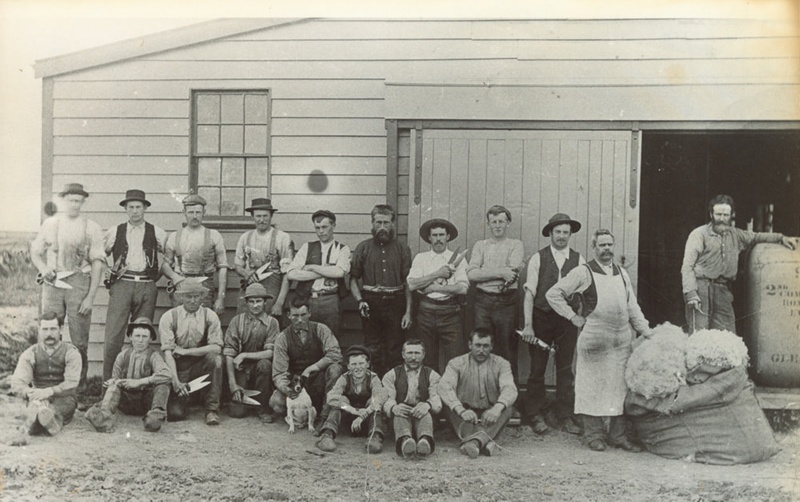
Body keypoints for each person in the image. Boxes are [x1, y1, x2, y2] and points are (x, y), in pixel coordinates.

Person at [547, 229, 653, 452]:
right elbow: (553, 294)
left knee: (619, 388)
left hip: (621, 339)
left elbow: (632, 306)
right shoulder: (583, 272)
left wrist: (646, 332)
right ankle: (594, 435)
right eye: (602, 245)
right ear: (593, 248)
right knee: (592, 388)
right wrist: (572, 316)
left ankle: (618, 435)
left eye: (609, 245)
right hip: (594, 338)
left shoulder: (622, 274)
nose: (606, 249)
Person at [681, 194, 796, 333]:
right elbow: (687, 267)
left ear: (731, 215)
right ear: (711, 214)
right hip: (700, 289)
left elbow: (756, 237)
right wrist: (691, 293)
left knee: (727, 335)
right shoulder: (698, 234)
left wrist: (780, 238)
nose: (722, 219)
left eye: (725, 214)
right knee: (699, 334)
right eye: (718, 214)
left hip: (723, 290)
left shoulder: (736, 235)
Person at [30, 183, 104, 388]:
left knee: (79, 338)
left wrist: (90, 297)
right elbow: (35, 252)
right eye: (71, 200)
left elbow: (98, 263)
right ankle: (46, 384)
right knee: (48, 331)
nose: (74, 204)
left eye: (78, 201)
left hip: (79, 281)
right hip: (53, 283)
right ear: (63, 200)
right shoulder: (51, 224)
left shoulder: (91, 227)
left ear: (83, 202)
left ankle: (77, 387)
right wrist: (44, 268)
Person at [102, 189, 179, 380]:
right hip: (122, 285)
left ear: (145, 208)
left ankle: (137, 386)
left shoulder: (158, 232)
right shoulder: (115, 231)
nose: (135, 211)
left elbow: (171, 257)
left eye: (138, 207)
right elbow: (98, 254)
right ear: (125, 210)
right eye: (131, 207)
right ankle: (108, 386)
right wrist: (106, 269)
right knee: (113, 337)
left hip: (147, 285)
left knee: (142, 337)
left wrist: (163, 272)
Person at [520, 213, 585, 435]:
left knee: (566, 368)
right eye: (557, 232)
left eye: (565, 232)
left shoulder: (579, 259)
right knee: (538, 367)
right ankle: (535, 413)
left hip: (566, 319)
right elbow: (529, 294)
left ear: (570, 234)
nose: (561, 236)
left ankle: (564, 415)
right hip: (542, 317)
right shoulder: (539, 258)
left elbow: (585, 293)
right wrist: (528, 325)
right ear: (550, 233)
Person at [350, 204, 412, 377]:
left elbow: (408, 283)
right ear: (372, 224)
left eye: (386, 223)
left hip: (396, 301)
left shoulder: (402, 249)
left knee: (395, 348)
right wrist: (360, 301)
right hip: (371, 302)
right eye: (378, 223)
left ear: (393, 224)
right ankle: (374, 388)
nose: (382, 227)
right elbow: (353, 279)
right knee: (372, 348)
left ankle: (393, 390)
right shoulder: (363, 248)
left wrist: (408, 312)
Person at [439, 329, 518, 458]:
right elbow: (444, 386)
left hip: (490, 413)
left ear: (492, 346)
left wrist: (497, 409)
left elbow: (509, 388)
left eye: (486, 346)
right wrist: (461, 410)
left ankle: (473, 442)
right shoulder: (456, 363)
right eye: (477, 345)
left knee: (508, 408)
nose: (481, 350)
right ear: (470, 345)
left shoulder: (502, 364)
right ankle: (484, 441)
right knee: (448, 405)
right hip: (464, 413)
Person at [466, 205, 524, 379]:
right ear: (488, 224)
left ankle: (509, 399)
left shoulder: (516, 245)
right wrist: (500, 272)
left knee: (507, 349)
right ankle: (481, 395)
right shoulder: (481, 245)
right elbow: (472, 274)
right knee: (481, 347)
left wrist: (486, 272)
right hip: (482, 301)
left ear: (508, 223)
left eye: (501, 221)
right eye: (494, 222)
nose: (498, 225)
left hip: (507, 302)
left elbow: (511, 275)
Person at [269, 295, 344, 429]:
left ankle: (325, 417)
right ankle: (296, 417)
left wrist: (312, 368)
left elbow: (335, 354)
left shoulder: (321, 329)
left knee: (335, 369)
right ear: (288, 315)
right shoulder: (282, 337)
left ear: (309, 313)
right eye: (295, 315)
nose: (299, 320)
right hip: (296, 383)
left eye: (303, 315)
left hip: (318, 381)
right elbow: (279, 373)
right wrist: (287, 389)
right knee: (276, 402)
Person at [86, 318, 171, 433]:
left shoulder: (154, 356)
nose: (140, 340)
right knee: (114, 385)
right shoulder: (122, 356)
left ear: (150, 339)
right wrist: (114, 382)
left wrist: (140, 382)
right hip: (126, 401)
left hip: (147, 403)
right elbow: (115, 377)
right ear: (130, 337)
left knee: (163, 386)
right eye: (137, 336)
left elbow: (166, 375)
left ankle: (154, 417)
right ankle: (103, 416)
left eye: (144, 337)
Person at [159, 280, 224, 426]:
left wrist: (186, 351)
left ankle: (212, 409)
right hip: (178, 367)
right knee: (175, 414)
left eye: (196, 296)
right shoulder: (169, 317)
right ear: (181, 298)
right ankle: (187, 400)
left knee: (216, 360)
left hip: (201, 365)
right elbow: (168, 354)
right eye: (189, 297)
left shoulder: (210, 316)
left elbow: (216, 348)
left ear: (202, 297)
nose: (193, 300)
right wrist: (175, 382)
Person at [406, 218, 468, 373]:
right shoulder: (421, 258)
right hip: (426, 312)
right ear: (429, 237)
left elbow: (462, 288)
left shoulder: (459, 258)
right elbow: (412, 284)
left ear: (448, 237)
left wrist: (432, 287)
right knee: (427, 360)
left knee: (455, 359)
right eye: (434, 235)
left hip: (450, 312)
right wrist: (437, 274)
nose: (438, 239)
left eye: (441, 235)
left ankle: (451, 395)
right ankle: (430, 396)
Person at [11, 312, 81, 437]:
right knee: (37, 405)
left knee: (59, 409)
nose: (49, 334)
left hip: (63, 398)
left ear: (61, 329)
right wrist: (29, 392)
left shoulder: (71, 353)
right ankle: (44, 419)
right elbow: (17, 382)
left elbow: (72, 383)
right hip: (38, 396)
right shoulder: (31, 353)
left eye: (53, 329)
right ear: (39, 330)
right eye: (45, 329)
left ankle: (37, 420)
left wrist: (50, 391)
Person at [286, 209, 351, 338]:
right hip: (307, 299)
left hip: (330, 300)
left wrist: (311, 267)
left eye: (324, 227)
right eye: (317, 228)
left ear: (333, 226)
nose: (321, 231)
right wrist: (325, 271)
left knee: (330, 338)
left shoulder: (342, 249)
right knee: (307, 338)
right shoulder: (307, 247)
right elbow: (291, 274)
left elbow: (339, 272)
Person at [224, 283, 281, 423]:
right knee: (237, 412)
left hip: (260, 370)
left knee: (265, 364)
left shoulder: (272, 323)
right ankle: (237, 399)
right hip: (240, 369)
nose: (255, 305)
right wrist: (233, 384)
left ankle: (262, 407)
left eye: (259, 301)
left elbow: (270, 352)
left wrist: (244, 355)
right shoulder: (237, 322)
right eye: (251, 301)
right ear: (246, 303)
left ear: (265, 302)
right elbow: (229, 354)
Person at [316, 345, 387, 454]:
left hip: (367, 421)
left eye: (361, 363)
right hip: (348, 420)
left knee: (373, 402)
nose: (357, 367)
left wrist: (361, 416)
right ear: (348, 366)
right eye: (353, 364)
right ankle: (327, 435)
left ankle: (375, 437)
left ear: (367, 364)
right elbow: (331, 397)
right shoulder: (344, 378)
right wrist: (352, 410)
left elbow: (379, 398)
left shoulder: (373, 378)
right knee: (341, 400)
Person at [164, 194, 228, 314]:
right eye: (191, 212)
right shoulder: (174, 236)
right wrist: (175, 278)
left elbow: (223, 267)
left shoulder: (214, 235)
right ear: (184, 212)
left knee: (203, 322)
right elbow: (165, 265)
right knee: (180, 321)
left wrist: (220, 298)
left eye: (198, 212)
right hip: (181, 284)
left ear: (204, 212)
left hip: (204, 285)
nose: (194, 216)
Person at [234, 198, 294, 319]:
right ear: (253, 216)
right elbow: (237, 265)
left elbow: (288, 274)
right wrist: (245, 273)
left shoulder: (282, 238)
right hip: (250, 285)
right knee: (243, 320)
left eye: (265, 216)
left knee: (269, 324)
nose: (262, 220)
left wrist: (279, 303)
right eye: (258, 216)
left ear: (271, 216)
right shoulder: (245, 237)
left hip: (272, 288)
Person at [382, 339, 442, 458]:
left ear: (424, 355)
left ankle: (424, 441)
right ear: (403, 354)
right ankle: (405, 442)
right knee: (400, 415)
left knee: (426, 415)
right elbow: (388, 397)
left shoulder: (432, 375)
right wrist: (394, 407)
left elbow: (436, 397)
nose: (413, 357)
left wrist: (428, 405)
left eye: (417, 353)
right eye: (409, 353)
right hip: (402, 412)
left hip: (421, 412)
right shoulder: (391, 375)